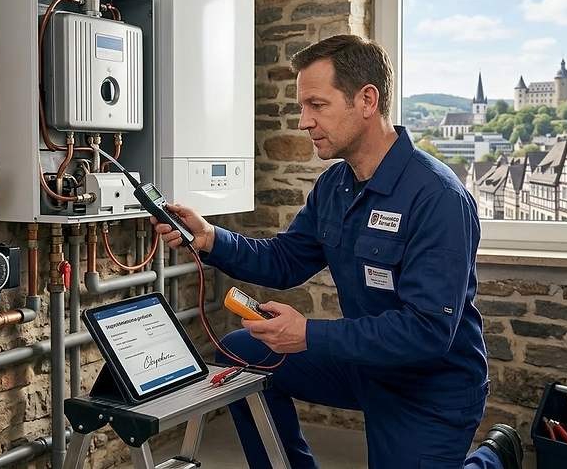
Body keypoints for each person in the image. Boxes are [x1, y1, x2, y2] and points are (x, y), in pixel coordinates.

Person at [151, 34, 523, 469]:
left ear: (367, 100)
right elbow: (286, 260)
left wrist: (309, 334)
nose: (303, 122)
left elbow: (427, 330)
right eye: (302, 106)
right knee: (241, 351)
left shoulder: (438, 197)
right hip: (362, 362)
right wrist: (212, 238)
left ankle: (493, 458)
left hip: (428, 384)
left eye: (317, 105)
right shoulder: (335, 185)